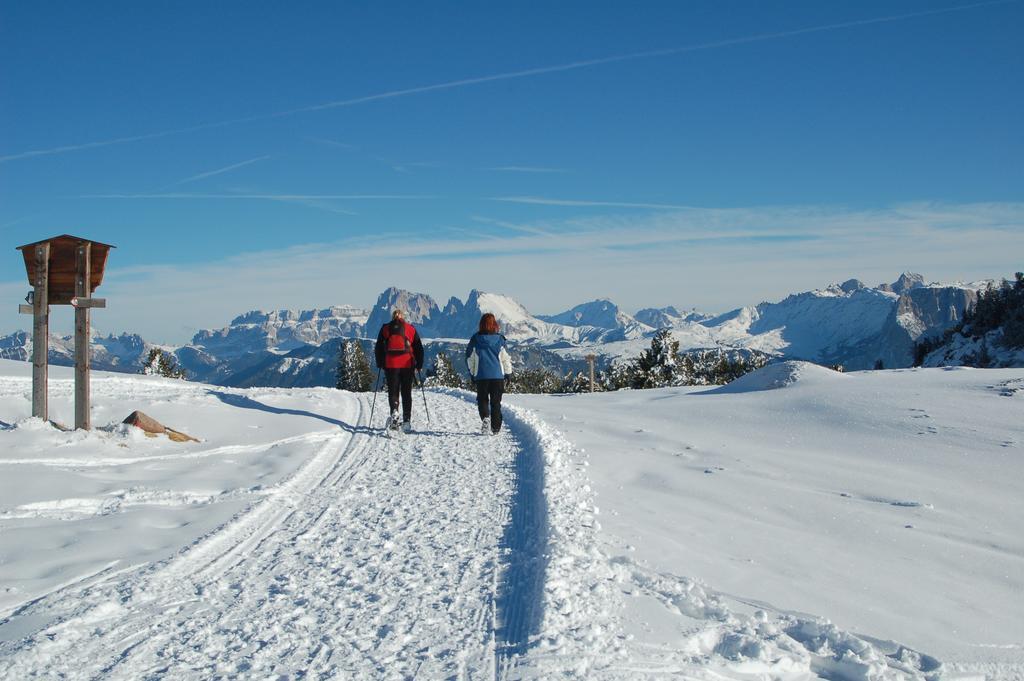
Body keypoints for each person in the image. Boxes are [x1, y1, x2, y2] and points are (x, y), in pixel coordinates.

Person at [374, 309, 424, 432]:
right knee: (406, 392)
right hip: (407, 364)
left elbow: (379, 347)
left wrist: (380, 363)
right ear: (403, 317)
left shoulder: (385, 328)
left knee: (393, 391)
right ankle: (406, 420)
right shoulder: (410, 328)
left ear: (392, 317)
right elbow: (418, 347)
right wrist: (419, 364)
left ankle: (394, 413)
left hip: (391, 365)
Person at [466, 313, 513, 435]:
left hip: (481, 376)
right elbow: (505, 358)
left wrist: (472, 373)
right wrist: (508, 373)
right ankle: (496, 428)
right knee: (496, 402)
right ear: (494, 325)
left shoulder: (475, 339)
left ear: (481, 324)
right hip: (497, 376)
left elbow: (470, 358)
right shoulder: (499, 340)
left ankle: (486, 417)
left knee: (482, 400)